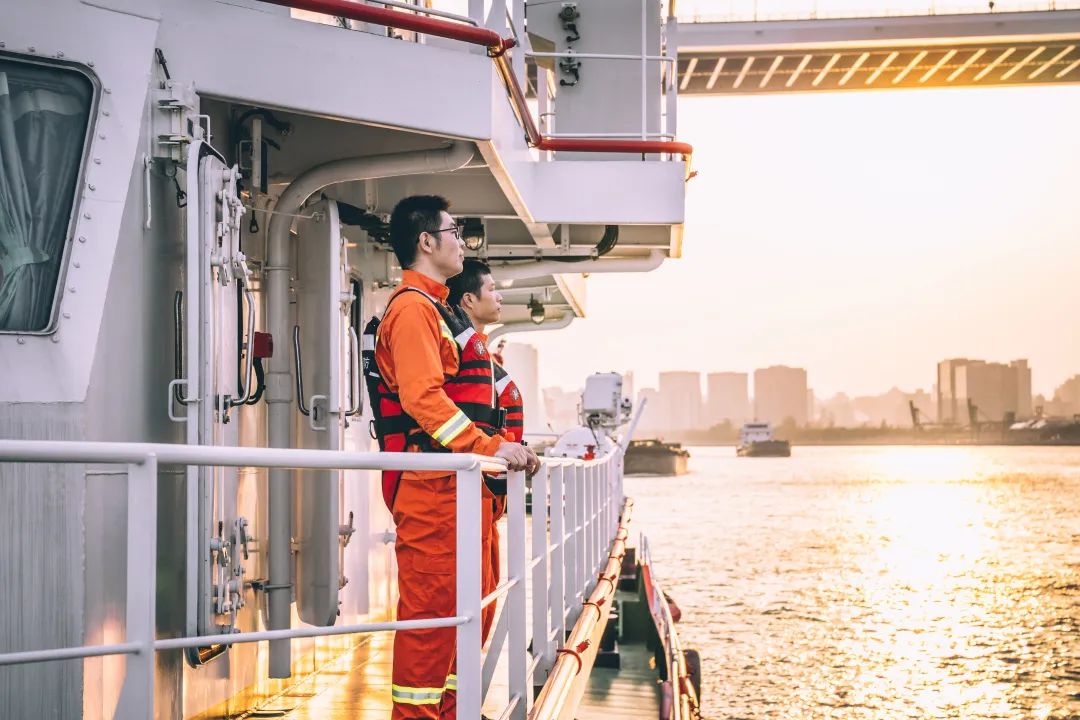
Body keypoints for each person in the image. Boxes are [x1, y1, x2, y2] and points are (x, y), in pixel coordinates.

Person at [373, 196, 539, 720]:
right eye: (454, 230)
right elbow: (425, 400)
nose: (461, 239)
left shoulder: (439, 309)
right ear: (426, 241)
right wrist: (490, 448)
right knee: (432, 620)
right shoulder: (413, 310)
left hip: (458, 488)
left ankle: (452, 712)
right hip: (432, 490)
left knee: (469, 613)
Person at [446, 259, 528, 649]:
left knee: (482, 603)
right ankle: (452, 707)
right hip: (463, 498)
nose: (499, 296)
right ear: (468, 299)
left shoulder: (483, 359)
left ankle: (461, 703)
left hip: (486, 502)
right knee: (465, 607)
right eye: (492, 288)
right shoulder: (458, 356)